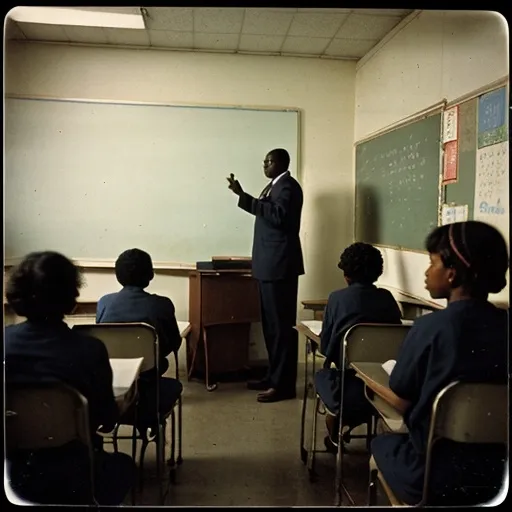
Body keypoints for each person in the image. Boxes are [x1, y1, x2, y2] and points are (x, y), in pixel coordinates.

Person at [370, 221, 509, 505]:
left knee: (380, 442)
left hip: (433, 475)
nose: (426, 270)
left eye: (432, 262)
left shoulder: (430, 329)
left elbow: (401, 393)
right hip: (499, 477)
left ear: (452, 274)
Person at [5, 251, 135, 505]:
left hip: (13, 472)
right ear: (71, 296)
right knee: (124, 466)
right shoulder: (89, 349)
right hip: (77, 474)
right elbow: (106, 421)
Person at [227, 148, 304, 403]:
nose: (264, 166)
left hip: (280, 266)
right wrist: (246, 197)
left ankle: (283, 386)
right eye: (264, 162)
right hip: (269, 265)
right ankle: (273, 377)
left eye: (268, 162)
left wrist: (244, 197)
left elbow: (279, 216)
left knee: (281, 329)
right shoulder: (273, 186)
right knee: (271, 328)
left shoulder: (288, 187)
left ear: (281, 163)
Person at [314, 242, 402, 451]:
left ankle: (336, 433)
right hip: (383, 388)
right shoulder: (387, 299)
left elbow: (326, 348)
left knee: (322, 377)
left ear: (346, 275)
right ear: (378, 272)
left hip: (346, 388)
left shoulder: (337, 298)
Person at [96, 248, 183, 430]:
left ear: (118, 274)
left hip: (113, 377)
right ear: (150, 274)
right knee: (162, 364)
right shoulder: (162, 304)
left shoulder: (104, 302)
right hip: (148, 374)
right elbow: (174, 343)